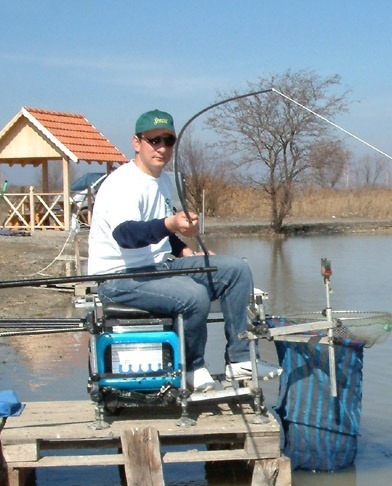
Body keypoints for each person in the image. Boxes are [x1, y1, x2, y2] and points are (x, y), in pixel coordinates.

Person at [87, 109, 280, 391]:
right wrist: (171, 223)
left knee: (235, 270)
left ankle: (240, 361)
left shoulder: (164, 180)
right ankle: (191, 368)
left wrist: (187, 252)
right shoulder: (122, 183)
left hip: (158, 268)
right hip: (118, 279)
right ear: (137, 143)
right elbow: (127, 235)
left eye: (168, 140)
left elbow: (164, 234)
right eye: (154, 140)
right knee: (194, 295)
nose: (162, 148)